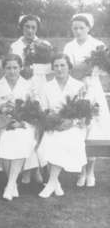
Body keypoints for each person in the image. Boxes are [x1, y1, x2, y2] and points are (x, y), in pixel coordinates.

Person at [63, 13, 110, 187]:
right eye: (75, 28)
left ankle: (91, 172)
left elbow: (103, 68)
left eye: (81, 27)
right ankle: (81, 171)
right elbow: (68, 68)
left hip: (93, 89)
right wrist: (80, 72)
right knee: (79, 127)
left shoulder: (98, 45)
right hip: (76, 88)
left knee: (94, 129)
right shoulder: (69, 46)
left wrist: (88, 71)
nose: (78, 31)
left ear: (89, 28)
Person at [37, 54, 88, 198]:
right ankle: (56, 183)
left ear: (69, 67)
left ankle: (51, 182)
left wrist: (71, 122)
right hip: (53, 125)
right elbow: (43, 110)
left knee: (64, 139)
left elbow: (84, 113)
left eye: (62, 65)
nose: (59, 69)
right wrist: (54, 122)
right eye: (56, 66)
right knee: (49, 139)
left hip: (74, 126)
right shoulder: (46, 87)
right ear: (52, 68)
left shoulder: (78, 86)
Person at [0, 54, 37, 201]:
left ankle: (10, 184)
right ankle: (12, 182)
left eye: (15, 67)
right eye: (8, 68)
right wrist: (1, 110)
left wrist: (21, 122)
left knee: (20, 137)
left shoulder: (29, 85)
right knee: (4, 138)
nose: (12, 71)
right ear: (3, 69)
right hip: (1, 124)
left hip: (23, 124)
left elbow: (34, 109)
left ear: (21, 68)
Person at [11, 14, 50, 184]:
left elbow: (50, 67)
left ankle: (37, 169)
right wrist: (23, 71)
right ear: (21, 28)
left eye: (33, 27)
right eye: (27, 27)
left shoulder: (44, 45)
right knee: (25, 122)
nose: (30, 30)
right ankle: (26, 169)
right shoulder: (15, 45)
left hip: (39, 84)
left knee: (38, 124)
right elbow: (11, 65)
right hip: (22, 84)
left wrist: (34, 68)